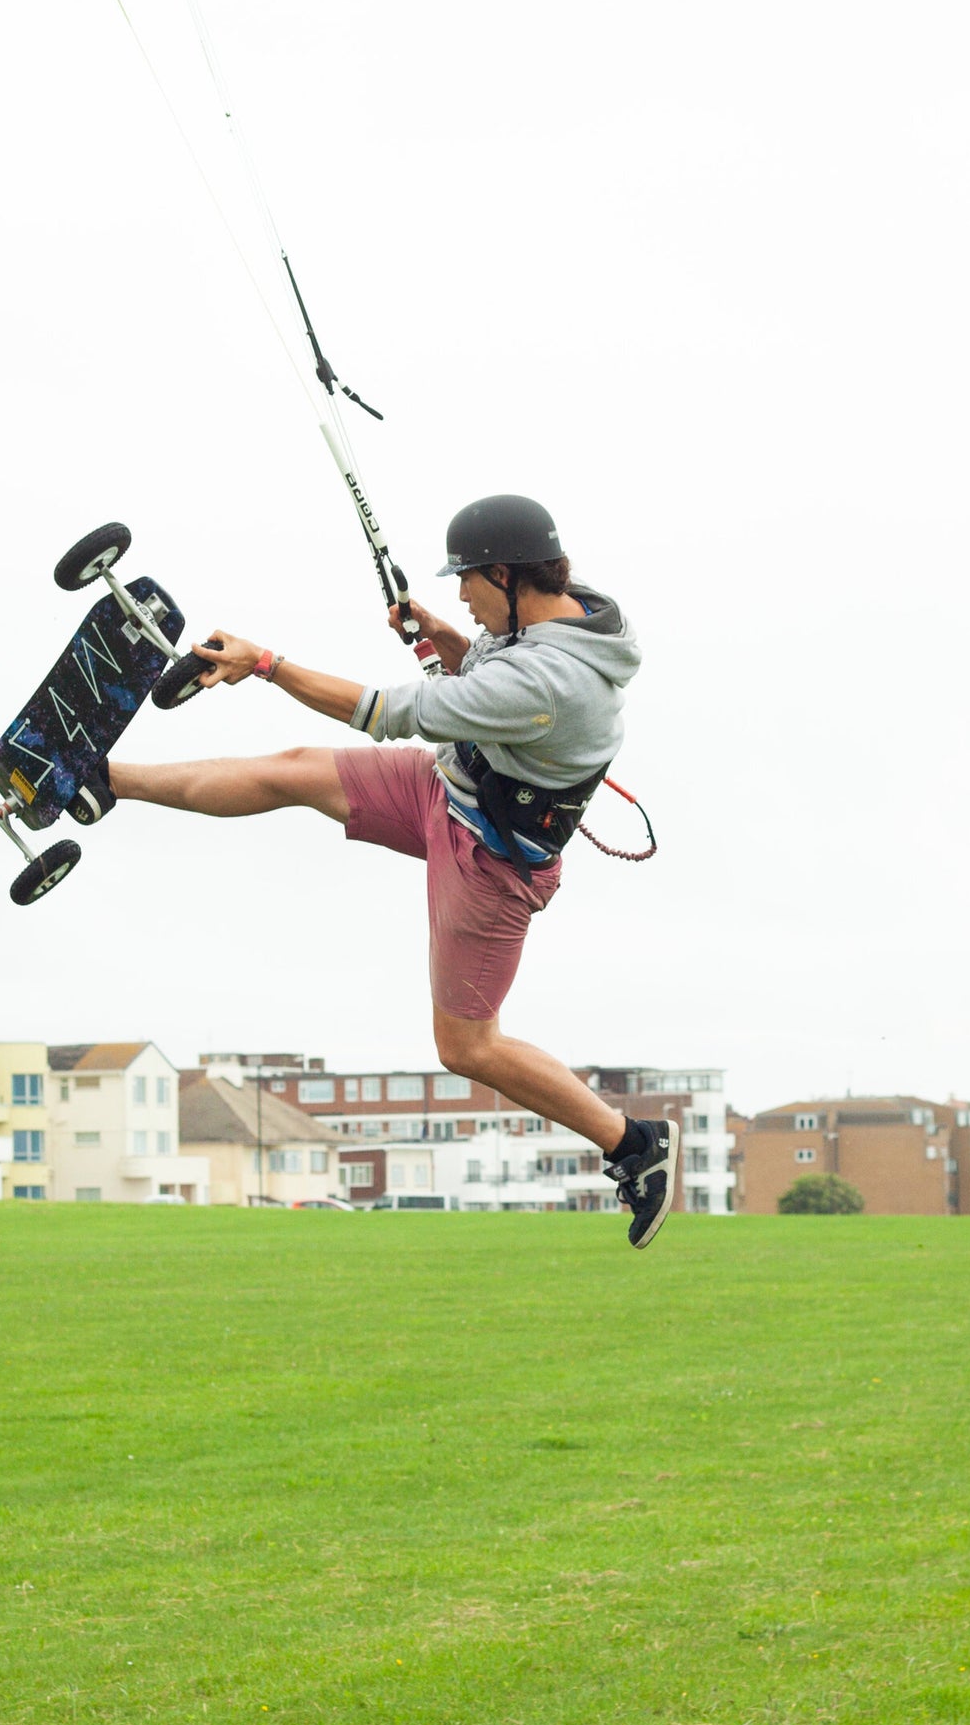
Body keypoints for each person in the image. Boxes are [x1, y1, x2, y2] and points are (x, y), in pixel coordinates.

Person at [98, 494, 680, 1248]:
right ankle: (105, 781)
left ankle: (635, 1145)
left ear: (506, 575)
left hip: (491, 863)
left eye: (466, 583)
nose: (461, 599)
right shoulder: (576, 612)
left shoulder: (552, 681)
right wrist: (447, 639)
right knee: (293, 772)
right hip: (446, 786)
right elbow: (498, 679)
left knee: (467, 1047)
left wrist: (266, 665)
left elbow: (386, 710)